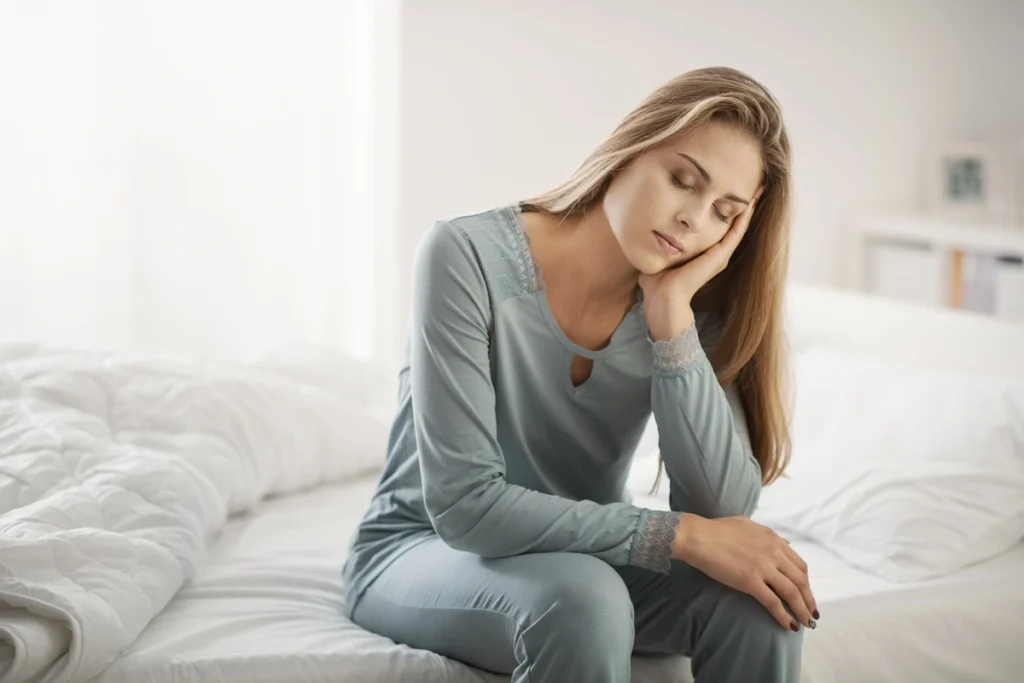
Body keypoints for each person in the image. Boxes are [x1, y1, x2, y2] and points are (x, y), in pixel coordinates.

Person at [342, 66, 815, 683]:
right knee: (585, 597)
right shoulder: (463, 255)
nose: (693, 219)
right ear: (629, 149)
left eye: (723, 212)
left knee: (759, 600)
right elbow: (465, 508)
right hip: (424, 548)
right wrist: (680, 537)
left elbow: (722, 507)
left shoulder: (693, 304)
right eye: (682, 180)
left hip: (582, 557)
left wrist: (670, 322)